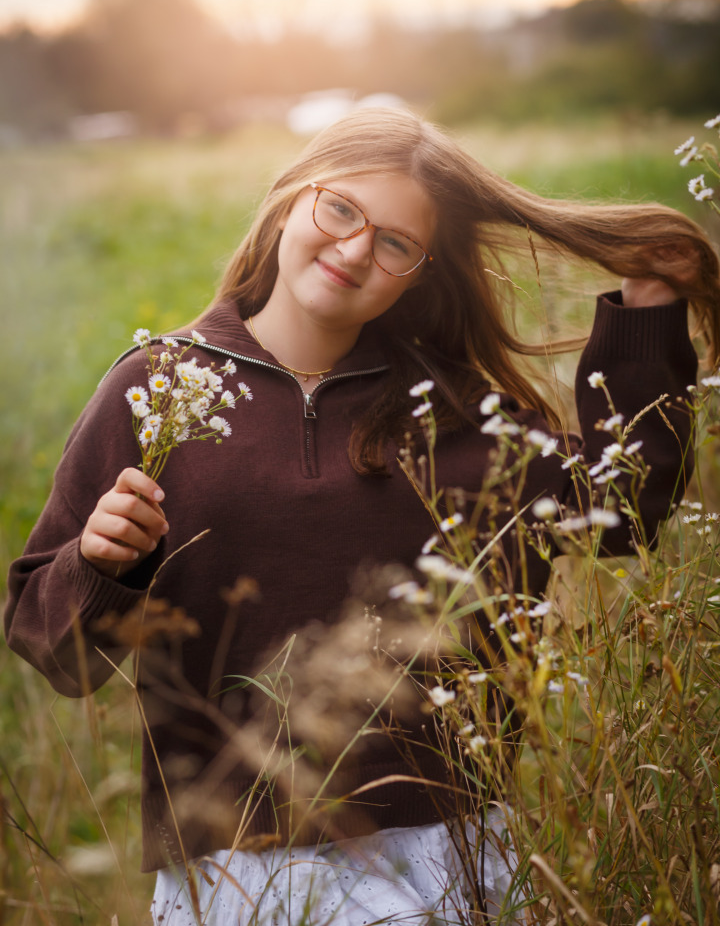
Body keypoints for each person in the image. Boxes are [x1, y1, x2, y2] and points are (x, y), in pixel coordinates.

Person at [5, 108, 719, 924]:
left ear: (419, 272)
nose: (353, 251)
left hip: (446, 849)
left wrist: (651, 304)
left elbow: (619, 509)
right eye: (340, 210)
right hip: (243, 866)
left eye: (395, 244)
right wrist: (99, 564)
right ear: (290, 199)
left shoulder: (451, 411)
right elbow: (54, 652)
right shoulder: (159, 388)